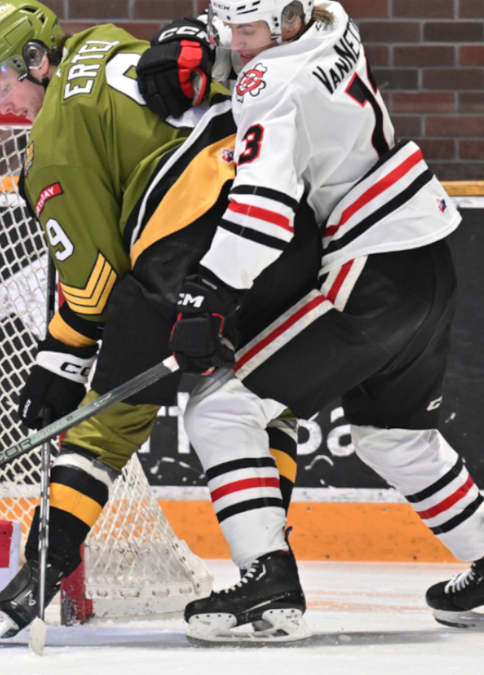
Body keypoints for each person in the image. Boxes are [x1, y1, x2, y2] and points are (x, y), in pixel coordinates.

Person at [0, 0, 313, 640]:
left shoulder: (52, 149)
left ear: (37, 62)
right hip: (283, 213)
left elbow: (95, 291)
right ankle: (270, 572)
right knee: (262, 395)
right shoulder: (102, 36)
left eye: (1, 83)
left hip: (193, 231)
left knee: (108, 415)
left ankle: (41, 570)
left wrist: (59, 359)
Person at [143, 0, 474, 642]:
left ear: (287, 24)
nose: (237, 44)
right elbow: (249, 33)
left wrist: (209, 291)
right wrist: (202, 42)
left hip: (372, 268)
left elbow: (264, 205)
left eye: (250, 32)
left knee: (219, 409)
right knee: (392, 437)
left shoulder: (269, 83)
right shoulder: (335, 19)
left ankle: (266, 584)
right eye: (229, 28)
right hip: (428, 255)